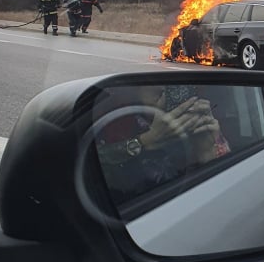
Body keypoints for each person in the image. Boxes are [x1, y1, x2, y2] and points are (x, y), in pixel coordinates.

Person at [94, 85, 230, 207]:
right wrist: (143, 142)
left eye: (179, 87)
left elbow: (223, 194)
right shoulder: (114, 120)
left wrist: (206, 150)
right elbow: (93, 170)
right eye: (148, 80)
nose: (166, 90)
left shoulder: (200, 124)